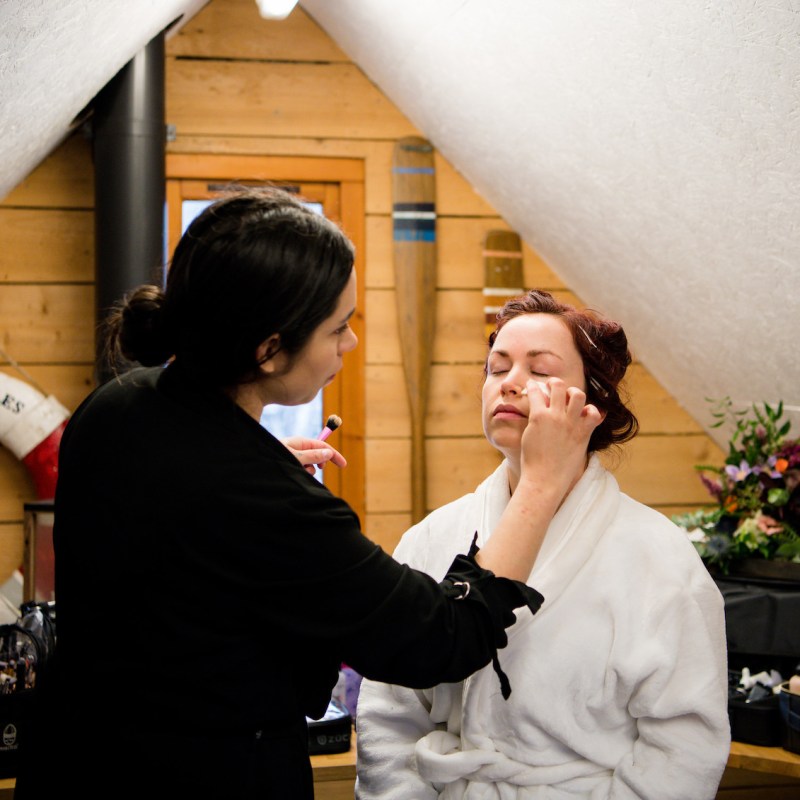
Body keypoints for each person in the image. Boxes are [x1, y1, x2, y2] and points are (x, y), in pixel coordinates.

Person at [15, 191, 601, 800]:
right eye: (338, 327)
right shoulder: (262, 498)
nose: (349, 344)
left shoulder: (119, 404)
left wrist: (257, 468)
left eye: (539, 369)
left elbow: (185, 516)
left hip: (69, 760)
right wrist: (540, 482)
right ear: (268, 349)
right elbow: (443, 639)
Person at [356, 291, 731, 800]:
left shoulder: (660, 558)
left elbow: (684, 744)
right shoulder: (430, 539)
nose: (508, 383)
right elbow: (389, 716)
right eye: (496, 367)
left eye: (539, 370)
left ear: (591, 404)